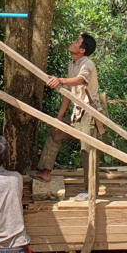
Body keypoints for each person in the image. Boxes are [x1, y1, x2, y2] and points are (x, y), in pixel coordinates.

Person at [30, 33, 102, 185]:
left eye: (77, 41)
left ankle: (91, 191)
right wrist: (59, 118)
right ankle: (44, 172)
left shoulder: (88, 64)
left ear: (82, 50)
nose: (73, 42)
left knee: (87, 150)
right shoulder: (72, 65)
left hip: (89, 112)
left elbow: (81, 80)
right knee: (56, 134)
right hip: (77, 112)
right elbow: (68, 94)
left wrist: (60, 80)